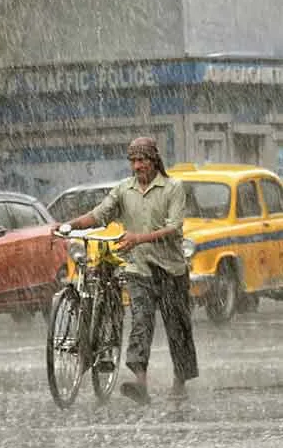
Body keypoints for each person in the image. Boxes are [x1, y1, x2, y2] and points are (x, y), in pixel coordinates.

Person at [58, 136, 198, 404]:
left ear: (154, 160)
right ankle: (140, 382)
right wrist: (69, 225)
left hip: (171, 269)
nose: (137, 166)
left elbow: (174, 227)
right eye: (133, 161)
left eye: (142, 160)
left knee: (177, 327)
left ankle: (180, 381)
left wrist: (138, 238)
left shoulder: (172, 188)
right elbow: (99, 214)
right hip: (138, 268)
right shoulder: (123, 189)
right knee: (141, 323)